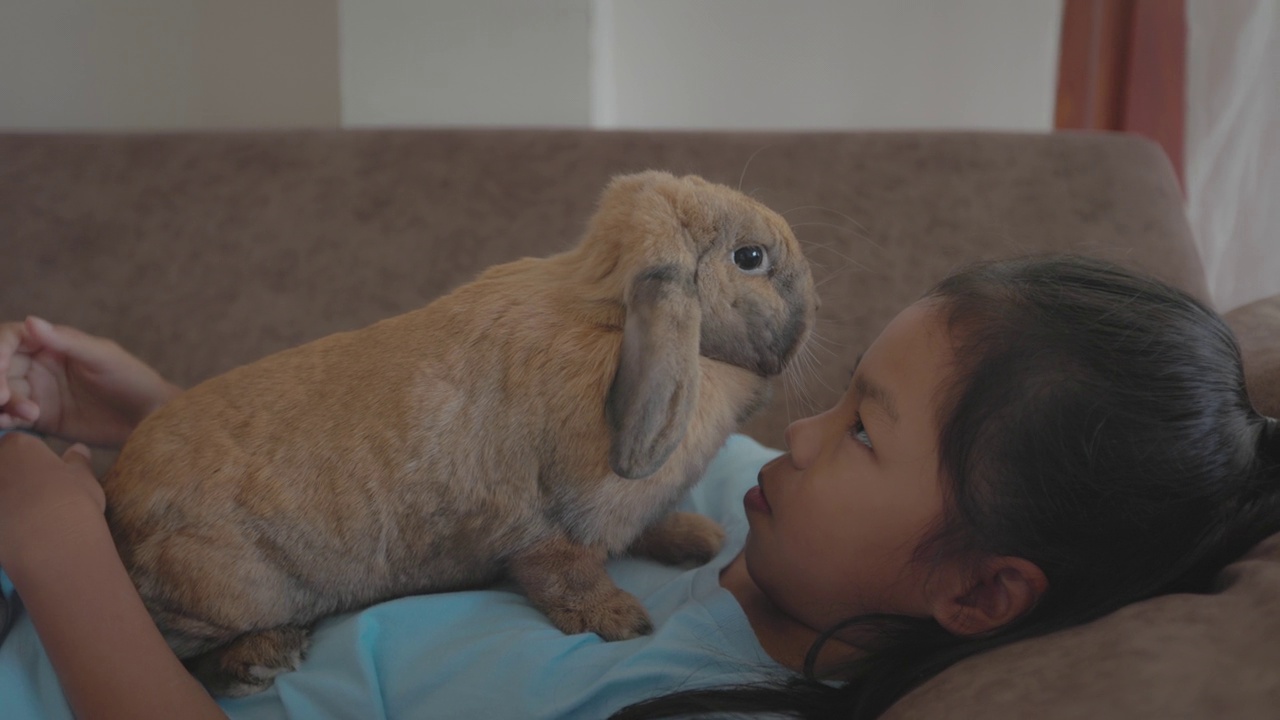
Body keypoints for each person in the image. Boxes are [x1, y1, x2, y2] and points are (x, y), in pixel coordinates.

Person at [0, 256, 1277, 720]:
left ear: (979, 591)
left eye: (864, 436)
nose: (800, 427)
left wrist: (62, 559)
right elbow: (410, 528)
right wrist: (167, 430)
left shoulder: (678, 706)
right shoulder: (715, 487)